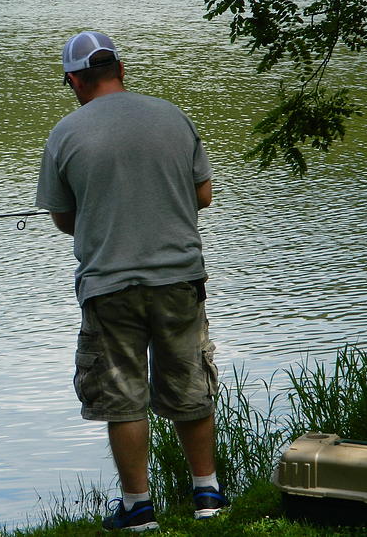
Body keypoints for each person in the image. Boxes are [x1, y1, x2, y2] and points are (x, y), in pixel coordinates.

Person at [35, 31, 229, 532]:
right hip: (178, 278)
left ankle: (137, 505)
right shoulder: (173, 117)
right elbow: (203, 195)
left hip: (108, 284)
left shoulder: (64, 134)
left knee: (122, 394)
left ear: (74, 80)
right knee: (189, 383)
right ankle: (206, 494)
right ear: (121, 70)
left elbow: (62, 217)